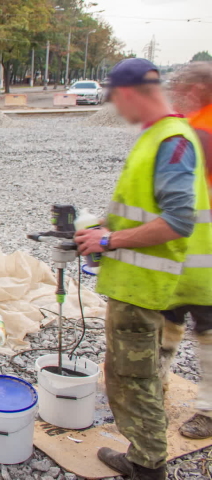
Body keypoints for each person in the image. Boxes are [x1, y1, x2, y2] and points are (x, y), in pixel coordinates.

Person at [75, 58, 212, 480]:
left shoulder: (173, 140)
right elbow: (144, 208)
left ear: (131, 92)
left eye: (117, 99)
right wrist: (103, 228)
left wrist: (108, 241)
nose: (116, 109)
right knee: (131, 375)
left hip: (145, 284)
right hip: (137, 281)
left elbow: (176, 221)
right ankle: (144, 457)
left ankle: (147, 466)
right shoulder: (157, 137)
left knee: (134, 382)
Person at [157, 62, 212, 440]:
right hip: (184, 254)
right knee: (169, 318)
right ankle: (155, 386)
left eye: (177, 83)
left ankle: (209, 412)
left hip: (203, 254)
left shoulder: (201, 133)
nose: (172, 88)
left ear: (196, 90)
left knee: (207, 331)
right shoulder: (190, 126)